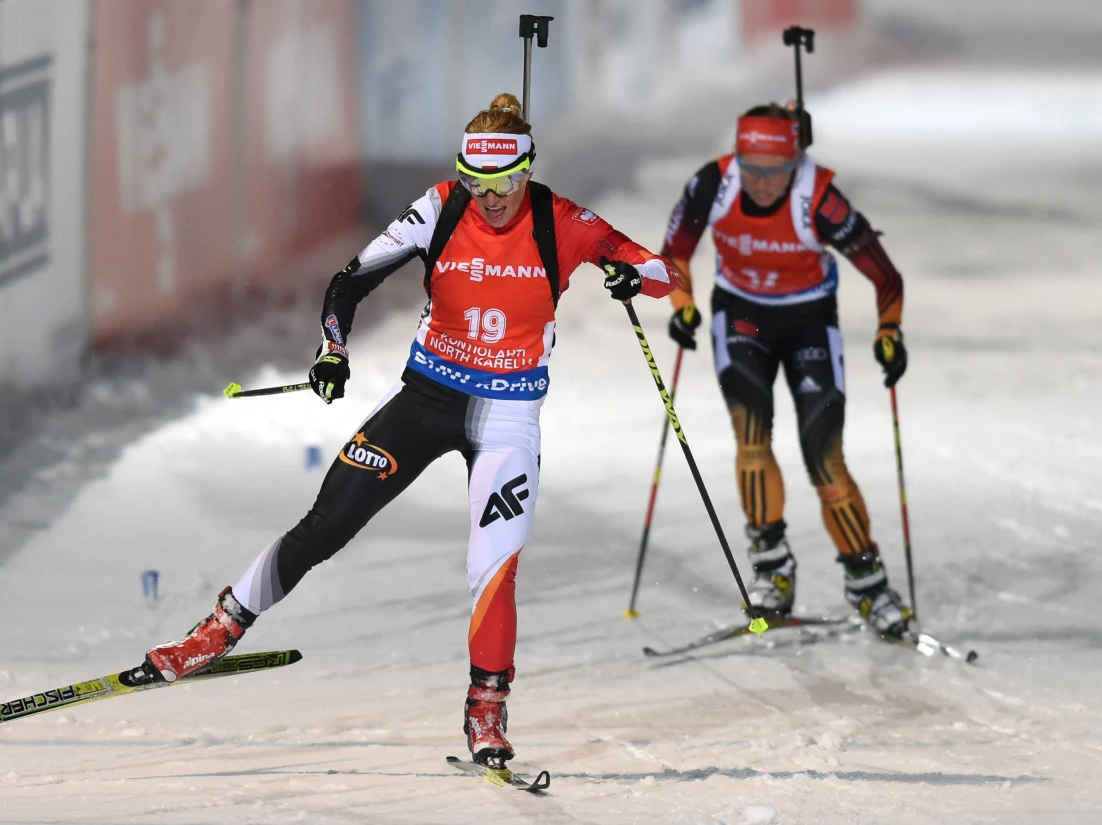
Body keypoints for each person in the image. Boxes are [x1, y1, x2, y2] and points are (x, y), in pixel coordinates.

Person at [140, 94, 678, 767]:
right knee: (327, 523)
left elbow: (662, 271)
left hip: (506, 415)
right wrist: (332, 349)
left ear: (527, 172)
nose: (490, 200)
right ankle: (219, 628)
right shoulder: (441, 205)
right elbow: (350, 280)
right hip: (425, 399)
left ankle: (486, 707)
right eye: (478, 184)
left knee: (492, 566)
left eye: (504, 184)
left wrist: (632, 274)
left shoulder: (561, 219)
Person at [659, 103, 910, 635]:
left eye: (775, 171)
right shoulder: (713, 183)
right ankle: (772, 569)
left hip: (808, 323)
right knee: (751, 439)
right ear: (738, 157)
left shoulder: (818, 198)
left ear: (795, 162)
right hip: (741, 317)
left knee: (824, 458)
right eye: (752, 168)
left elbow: (886, 277)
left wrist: (889, 331)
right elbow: (674, 253)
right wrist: (681, 304)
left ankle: (868, 583)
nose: (763, 182)